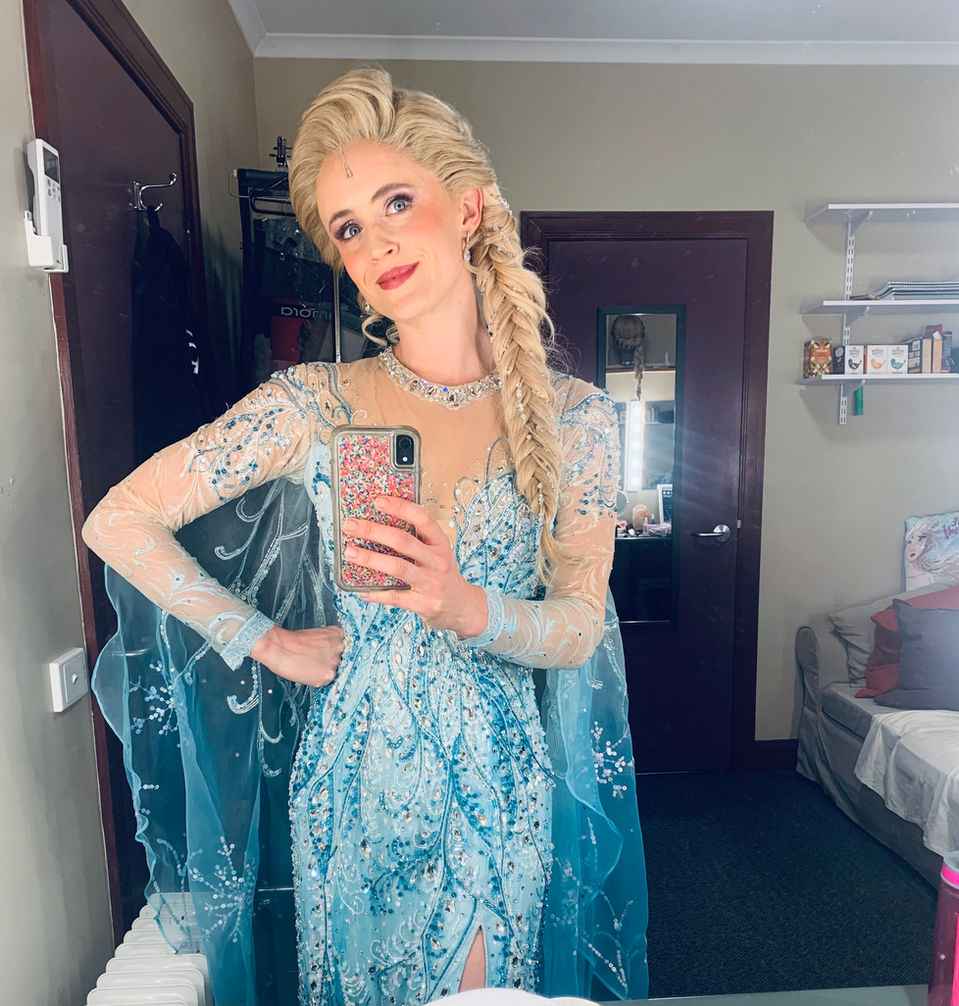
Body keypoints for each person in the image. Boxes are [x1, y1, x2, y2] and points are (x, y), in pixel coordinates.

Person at [83, 68, 648, 1006]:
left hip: (494, 782)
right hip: (349, 780)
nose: (375, 242)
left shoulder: (577, 419)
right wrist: (264, 640)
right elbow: (119, 519)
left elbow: (580, 628)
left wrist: (466, 607)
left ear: (467, 209)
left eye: (396, 202)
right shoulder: (312, 404)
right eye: (347, 228)